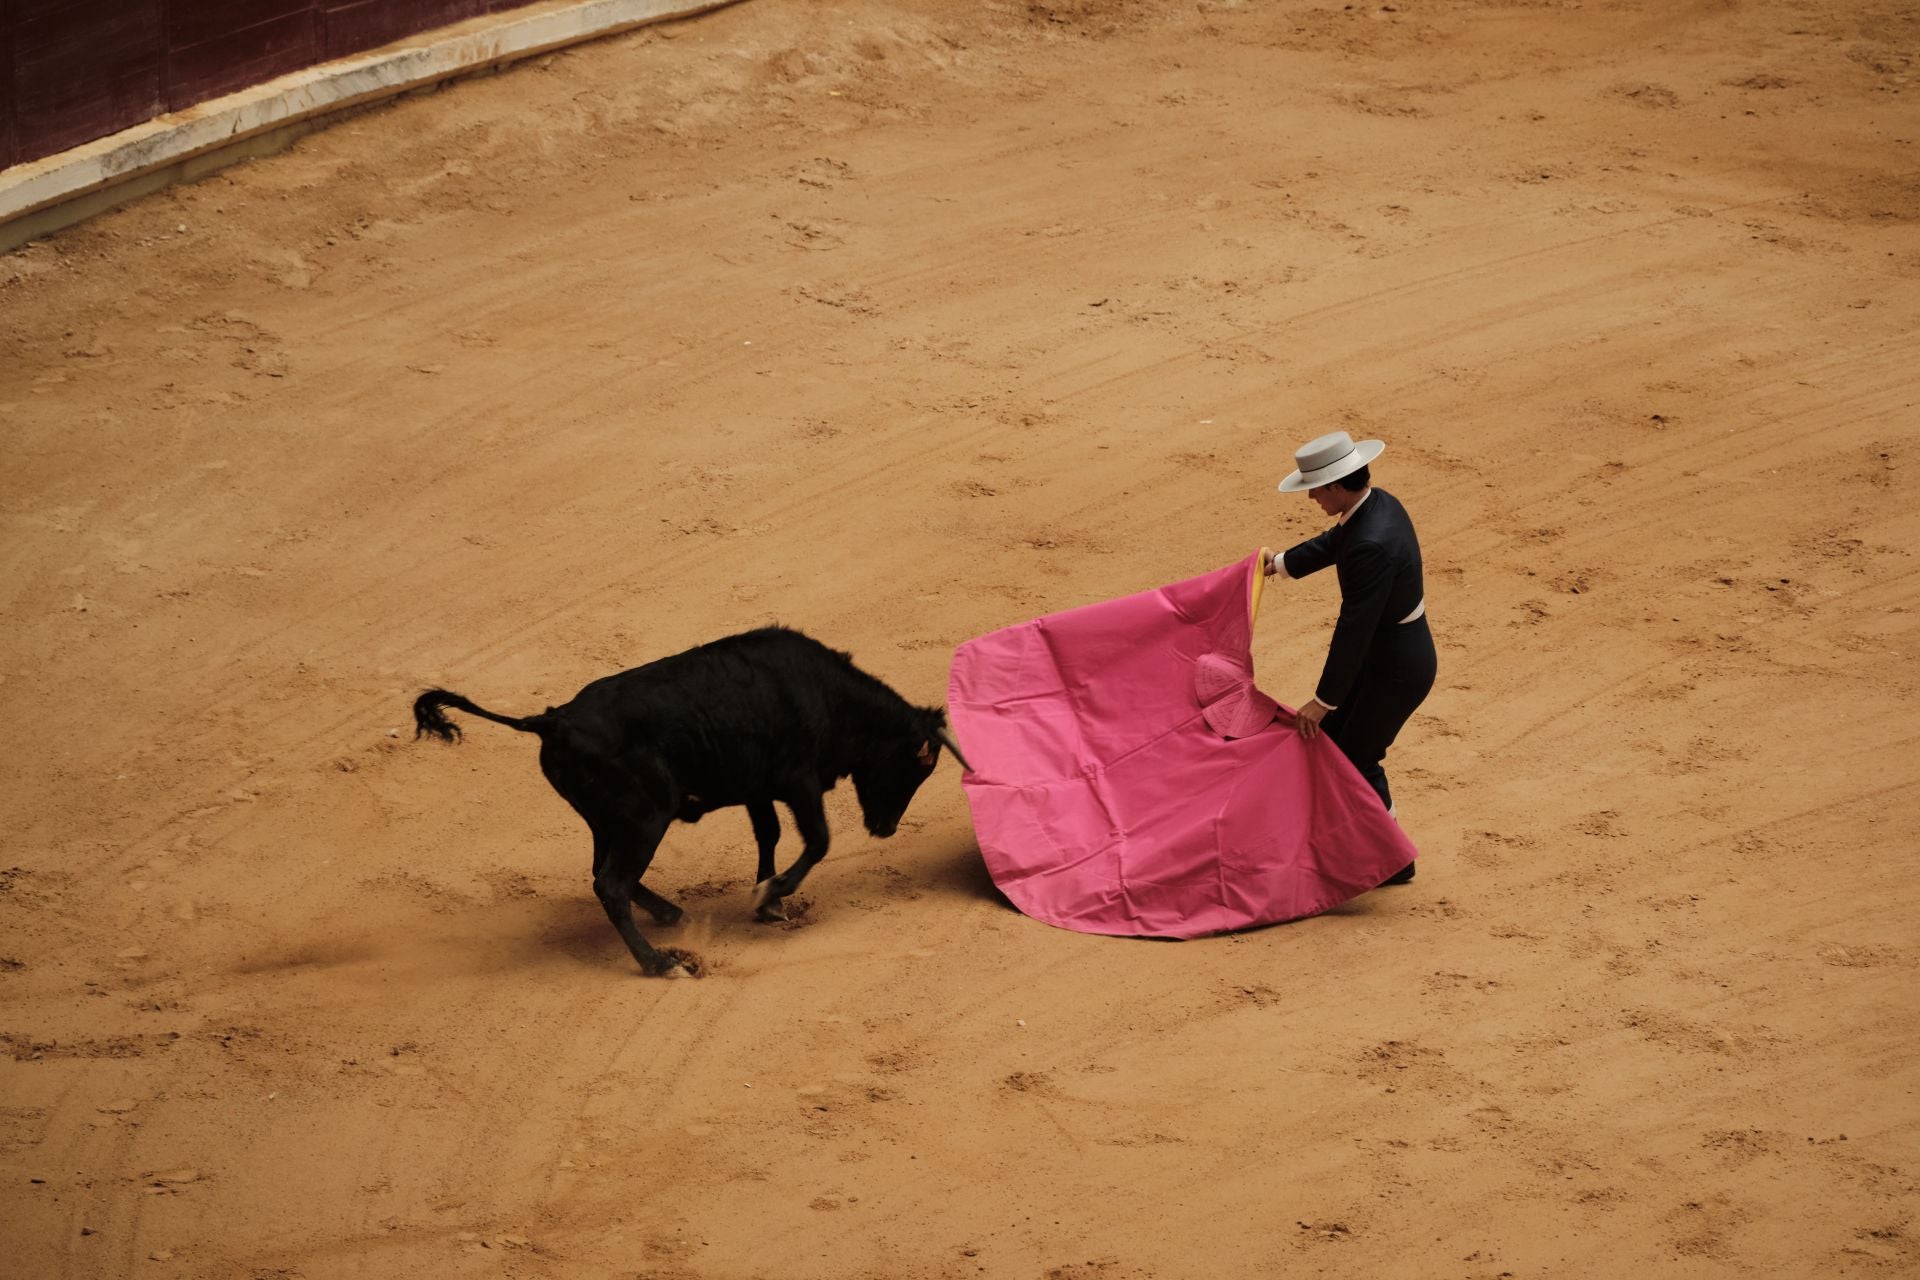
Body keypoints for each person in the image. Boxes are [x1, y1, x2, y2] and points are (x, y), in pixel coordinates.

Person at [1264, 430, 1434, 883]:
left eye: (1315, 490)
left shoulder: (1371, 544)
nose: (1312, 498)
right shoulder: (1377, 507)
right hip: (1390, 654)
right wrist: (1280, 564)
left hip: (1397, 667)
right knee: (1336, 748)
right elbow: (1336, 542)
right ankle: (1363, 847)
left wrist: (1324, 701)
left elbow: (1353, 631)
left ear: (1337, 486)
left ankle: (1394, 860)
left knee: (1357, 757)